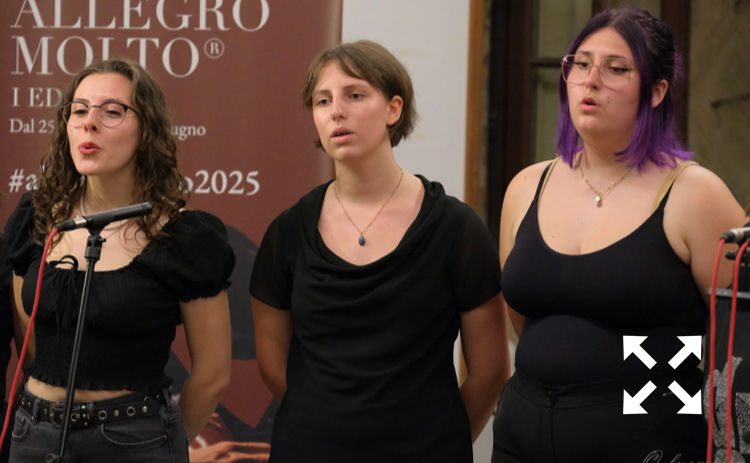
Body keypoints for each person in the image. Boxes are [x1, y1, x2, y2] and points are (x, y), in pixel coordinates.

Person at [491, 6, 749, 462]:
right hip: (521, 434)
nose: (591, 81)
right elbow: (524, 320)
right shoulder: (528, 185)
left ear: (657, 91)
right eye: (581, 64)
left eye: (616, 69)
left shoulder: (694, 193)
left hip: (647, 442)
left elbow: (735, 342)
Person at [250, 40, 509, 462]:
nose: (336, 111)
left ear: (393, 109)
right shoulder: (288, 232)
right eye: (322, 100)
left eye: (354, 95)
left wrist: (435, 438)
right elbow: (275, 369)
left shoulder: (455, 229)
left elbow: (491, 370)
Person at [4, 59, 235, 462]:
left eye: (112, 111)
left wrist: (161, 442)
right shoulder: (36, 219)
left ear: (147, 130)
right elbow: (31, 344)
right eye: (79, 110)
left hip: (133, 440)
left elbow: (213, 374)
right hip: (34, 435)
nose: (89, 124)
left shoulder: (182, 237)